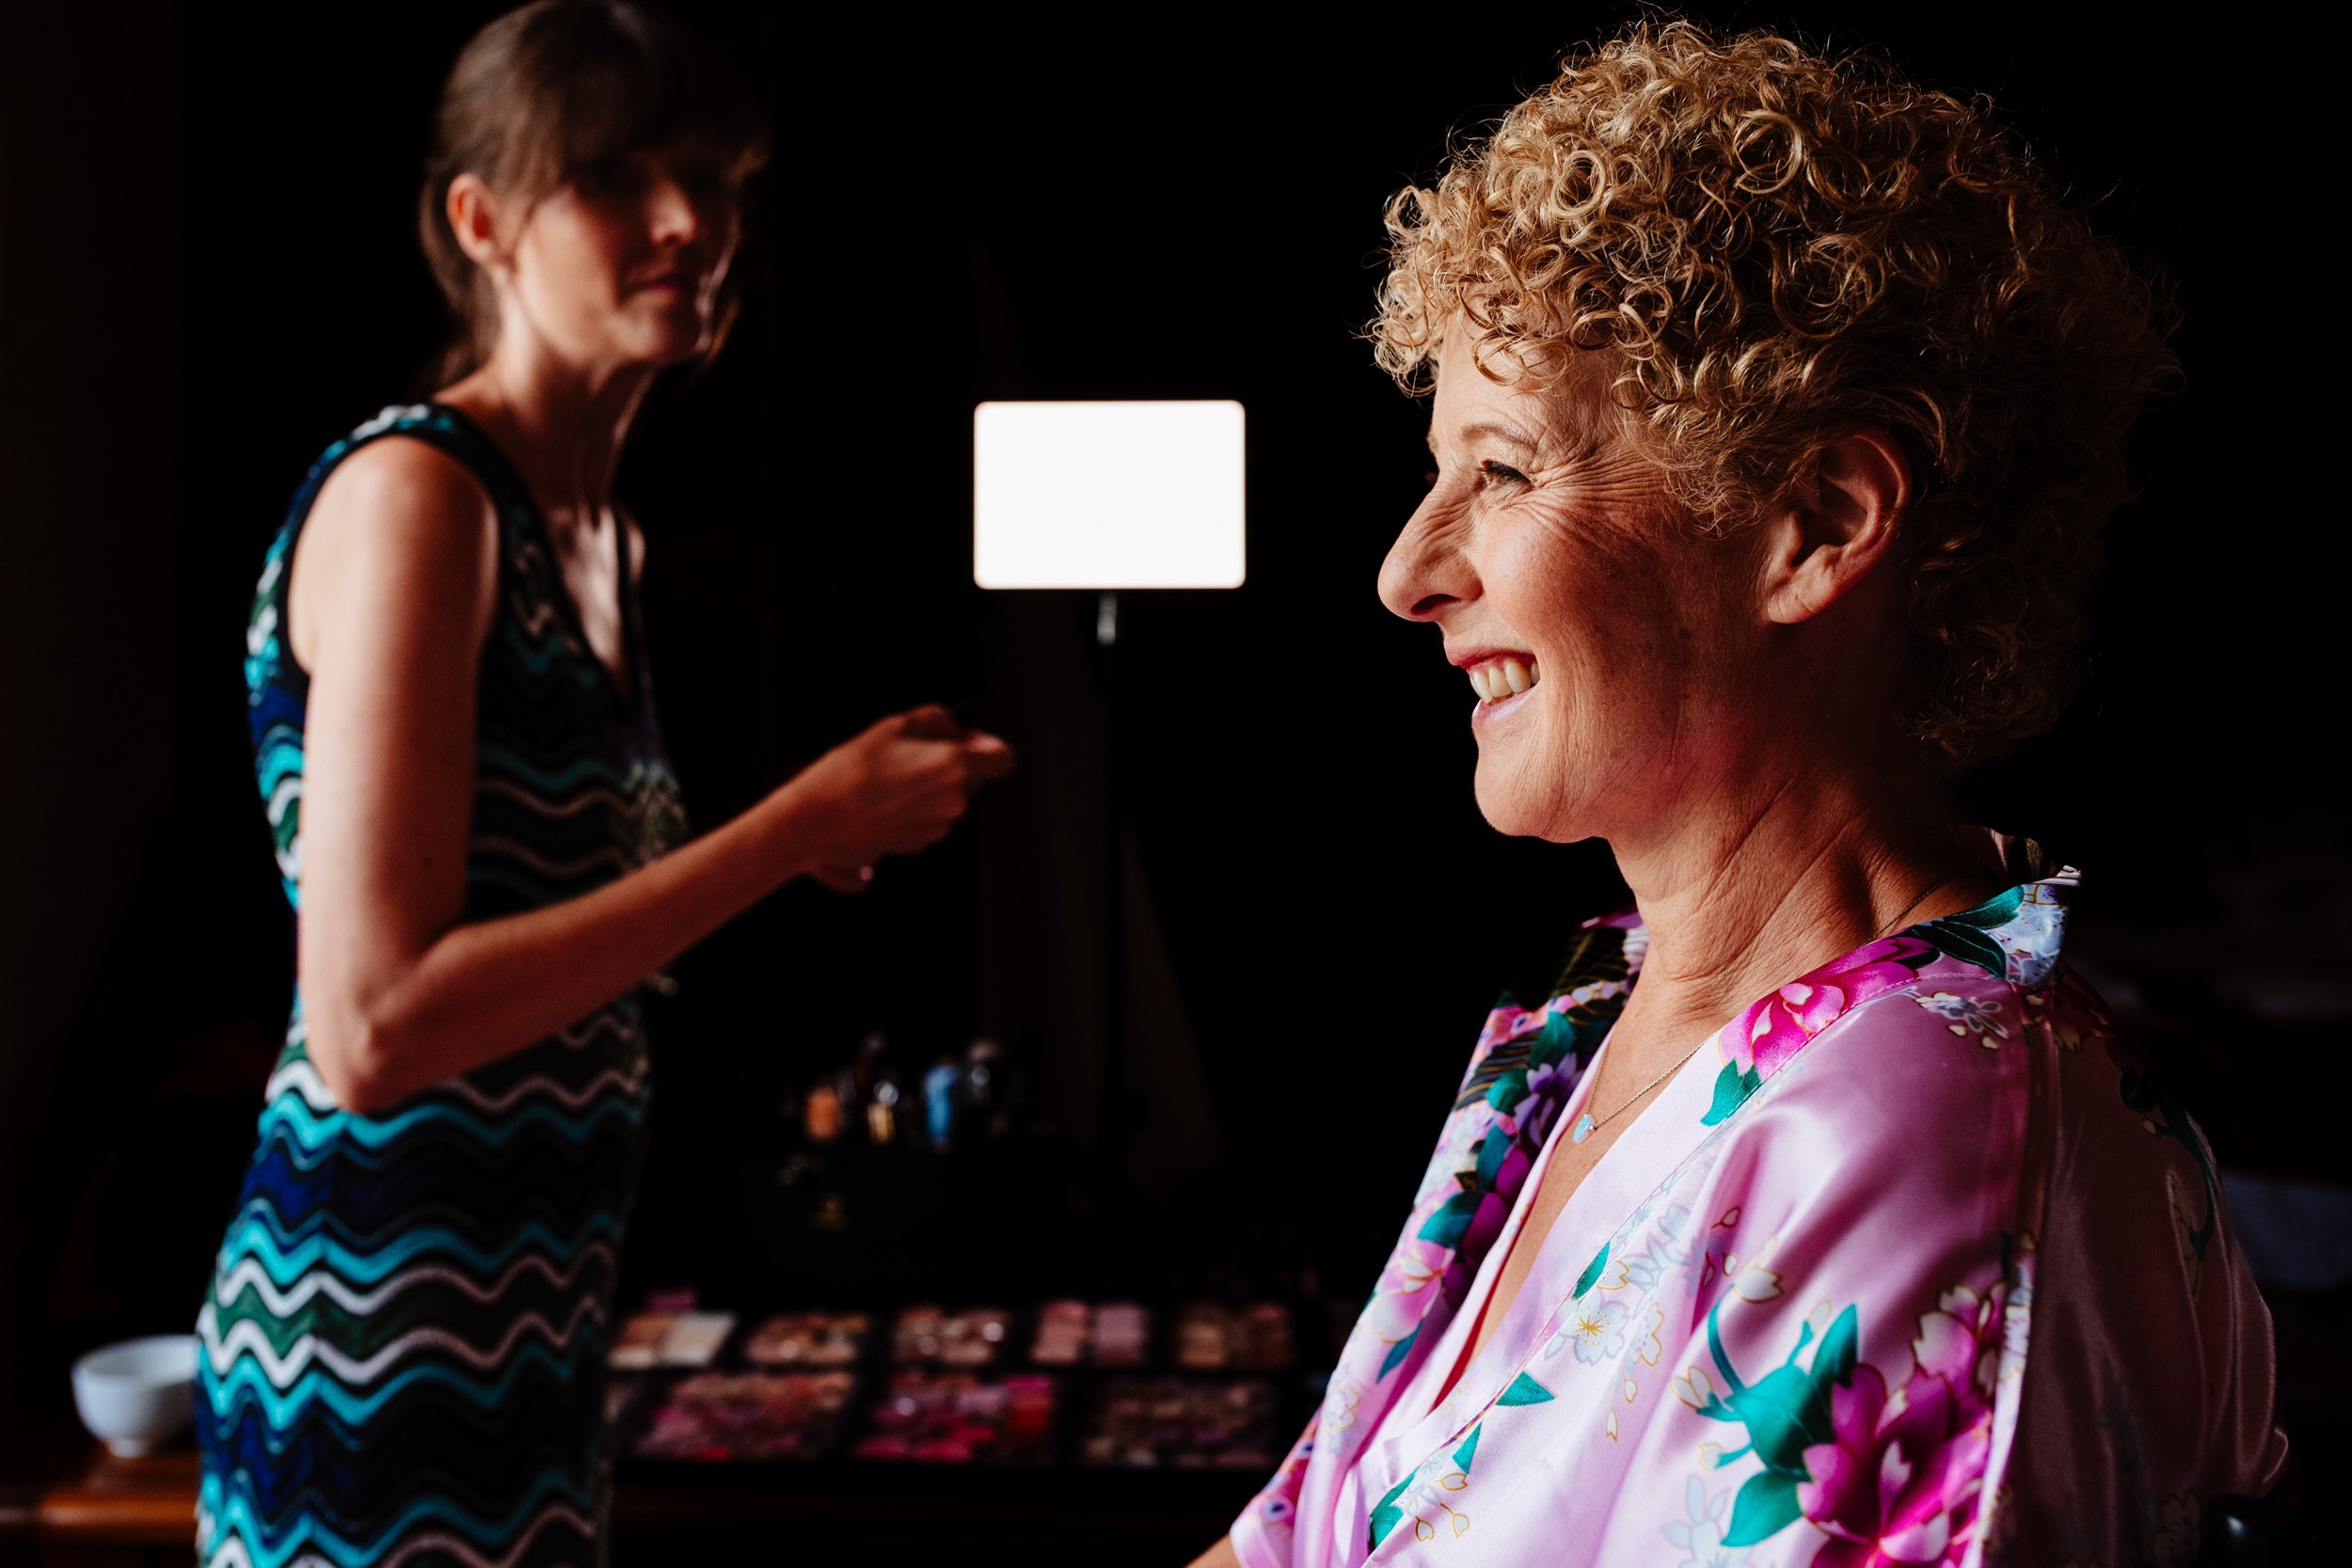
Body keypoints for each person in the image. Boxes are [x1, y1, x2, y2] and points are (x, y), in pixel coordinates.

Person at [1198, 21, 2281, 1568]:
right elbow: (1296, 1541)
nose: (1407, 572)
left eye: (1503, 472)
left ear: (1814, 524)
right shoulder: (1588, 1025)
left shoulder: (1921, 1140)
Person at [193, 4, 1013, 1564]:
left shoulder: (606, 542)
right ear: (482, 219)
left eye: (715, 177)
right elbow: (375, 1029)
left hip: (535, 1350)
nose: (689, 220)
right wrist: (791, 831)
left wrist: (810, 834)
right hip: (371, 1357)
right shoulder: (420, 497)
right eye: (617, 177)